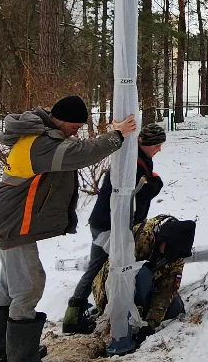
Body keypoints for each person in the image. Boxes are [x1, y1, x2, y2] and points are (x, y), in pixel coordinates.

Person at [0, 95, 136, 362]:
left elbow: (74, 148)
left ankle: (4, 350)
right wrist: (117, 135)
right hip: (13, 225)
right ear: (62, 120)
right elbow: (80, 153)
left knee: (11, 287)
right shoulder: (41, 144)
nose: (76, 132)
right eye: (75, 126)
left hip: (8, 221)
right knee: (28, 286)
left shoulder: (40, 136)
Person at [63, 122, 167, 335]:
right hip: (110, 225)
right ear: (150, 144)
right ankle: (86, 313)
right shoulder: (135, 162)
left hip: (105, 222)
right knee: (113, 266)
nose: (159, 150)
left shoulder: (132, 155)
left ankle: (76, 312)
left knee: (99, 266)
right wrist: (157, 182)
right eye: (158, 145)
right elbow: (145, 190)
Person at [93, 214, 196, 347]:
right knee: (143, 273)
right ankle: (129, 322)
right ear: (163, 239)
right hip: (114, 288)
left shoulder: (177, 252)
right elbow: (116, 274)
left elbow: (167, 290)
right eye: (169, 251)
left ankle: (141, 319)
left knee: (175, 307)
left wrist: (150, 325)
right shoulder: (142, 236)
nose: (170, 256)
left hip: (148, 290)